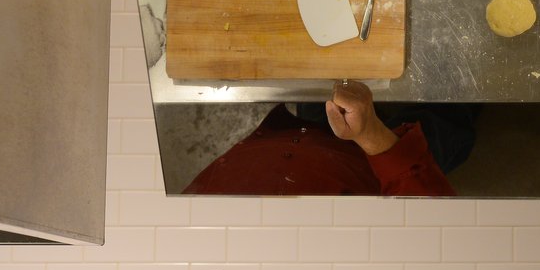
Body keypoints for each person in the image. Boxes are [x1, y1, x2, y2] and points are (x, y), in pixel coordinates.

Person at [184, 81, 465, 195]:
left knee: (323, 98)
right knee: (447, 122)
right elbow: (429, 225)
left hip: (287, 138)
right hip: (373, 169)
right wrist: (372, 135)